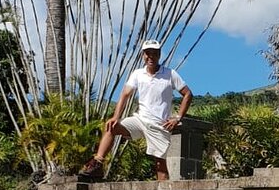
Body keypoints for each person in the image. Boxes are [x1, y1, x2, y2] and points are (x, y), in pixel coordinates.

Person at [79, 39, 193, 180]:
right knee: (111, 127)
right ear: (143, 55)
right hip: (140, 120)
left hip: (159, 124)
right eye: (147, 53)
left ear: (159, 55)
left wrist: (178, 117)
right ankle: (98, 163)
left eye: (154, 53)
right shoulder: (138, 74)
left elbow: (187, 94)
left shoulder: (170, 74)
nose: (150, 57)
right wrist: (116, 117)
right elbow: (125, 95)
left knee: (160, 164)